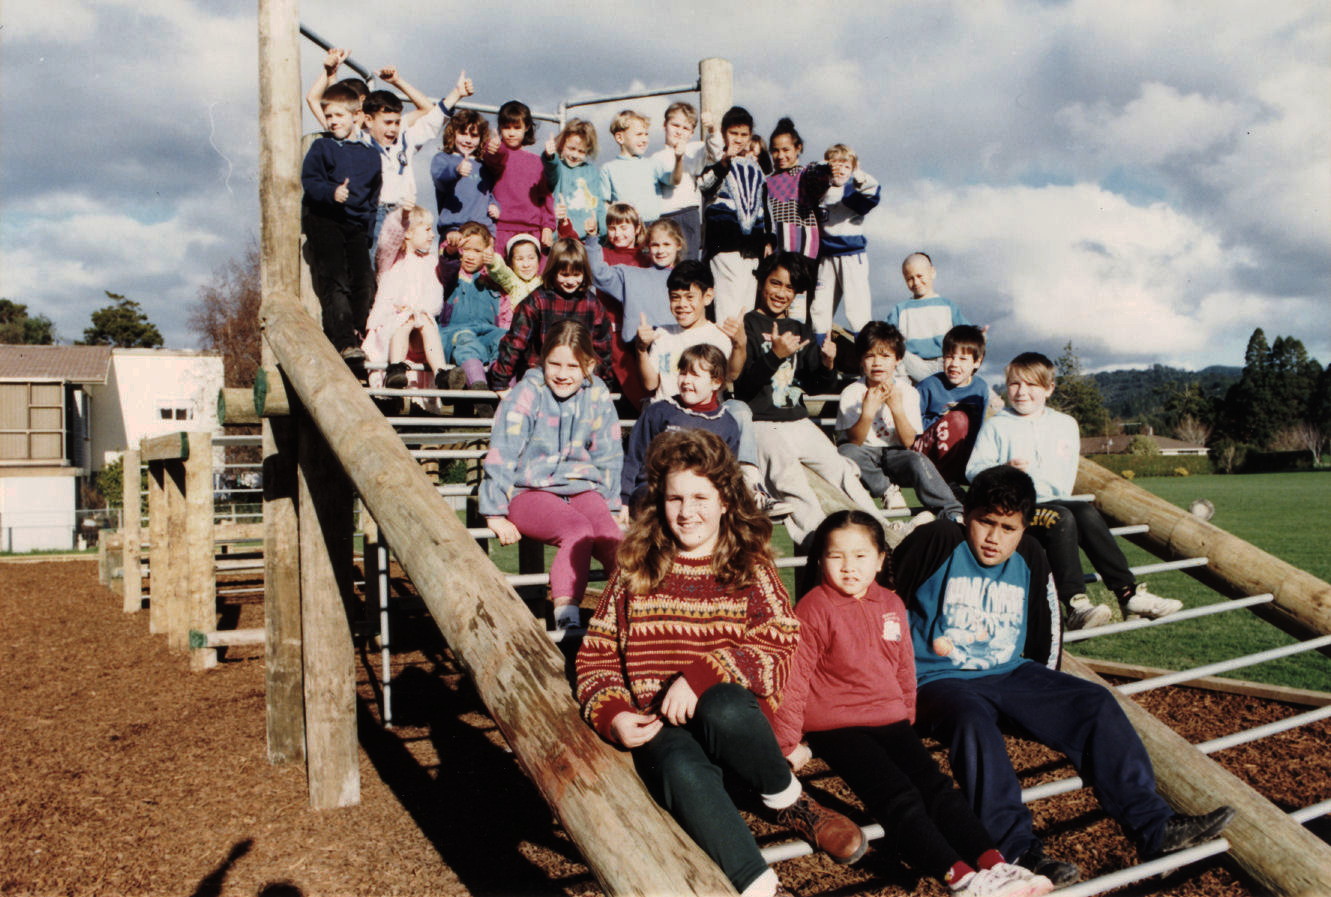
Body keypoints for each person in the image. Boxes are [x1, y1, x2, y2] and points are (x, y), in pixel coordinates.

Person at [893, 465, 1236, 886]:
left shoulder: (1032, 555)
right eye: (985, 522)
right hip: (937, 678)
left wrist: (1037, 701)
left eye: (1008, 527)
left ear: (1023, 527)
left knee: (1094, 701)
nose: (994, 538)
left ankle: (1154, 827)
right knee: (972, 719)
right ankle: (1018, 853)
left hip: (1007, 672)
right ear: (966, 514)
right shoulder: (939, 541)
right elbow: (885, 602)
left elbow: (1045, 634)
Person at [575, 429, 866, 897]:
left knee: (722, 704)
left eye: (700, 497)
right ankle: (760, 888)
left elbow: (781, 637)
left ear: (726, 500)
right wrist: (613, 715)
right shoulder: (636, 569)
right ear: (659, 501)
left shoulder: (748, 565)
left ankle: (792, 803)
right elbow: (598, 654)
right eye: (675, 498)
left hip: (736, 726)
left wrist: (702, 674)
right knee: (676, 767)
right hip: (660, 723)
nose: (687, 512)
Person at [773, 511, 1054, 897]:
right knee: (897, 796)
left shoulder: (890, 604)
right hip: (836, 726)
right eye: (836, 557)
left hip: (889, 719)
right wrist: (787, 744)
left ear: (880, 559)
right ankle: (961, 877)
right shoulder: (814, 608)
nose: (849, 568)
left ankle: (996, 864)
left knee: (936, 787)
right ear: (821, 560)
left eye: (860, 556)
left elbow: (904, 669)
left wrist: (906, 716)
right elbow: (795, 679)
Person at [965, 352, 1183, 630]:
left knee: (1084, 511)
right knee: (1061, 518)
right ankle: (1075, 605)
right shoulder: (996, 425)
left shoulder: (1065, 425)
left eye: (1032, 385)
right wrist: (1003, 470)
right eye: (1014, 384)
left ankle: (1128, 594)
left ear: (1048, 389)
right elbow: (973, 470)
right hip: (1016, 508)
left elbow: (1063, 473)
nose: (1022, 392)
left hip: (1055, 500)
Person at [481, 320, 623, 630]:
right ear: (542, 360)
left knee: (615, 540)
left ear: (588, 364)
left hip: (582, 488)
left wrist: (612, 505)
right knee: (578, 531)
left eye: (572, 365)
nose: (562, 373)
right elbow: (504, 450)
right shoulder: (529, 392)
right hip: (530, 491)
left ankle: (630, 614)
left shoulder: (596, 393)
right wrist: (494, 512)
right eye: (554, 363)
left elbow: (608, 452)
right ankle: (567, 617)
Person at [731, 252, 877, 547]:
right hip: (761, 422)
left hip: (797, 420)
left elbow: (816, 385)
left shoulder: (800, 328)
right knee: (789, 477)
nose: (781, 293)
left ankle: (879, 528)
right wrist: (775, 356)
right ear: (762, 283)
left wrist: (827, 364)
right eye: (776, 284)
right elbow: (743, 387)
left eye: (789, 288)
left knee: (840, 470)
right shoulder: (747, 323)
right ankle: (819, 539)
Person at [621, 344, 774, 515]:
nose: (686, 380)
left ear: (716, 382)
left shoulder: (726, 423)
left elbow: (726, 474)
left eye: (695, 375)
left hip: (700, 497)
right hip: (654, 492)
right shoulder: (658, 411)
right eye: (683, 373)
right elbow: (633, 458)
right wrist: (624, 501)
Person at [837, 322, 964, 523]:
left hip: (896, 454)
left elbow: (908, 442)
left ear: (897, 359)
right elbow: (854, 442)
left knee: (917, 460)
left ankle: (953, 511)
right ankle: (887, 490)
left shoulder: (908, 392)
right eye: (870, 356)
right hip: (865, 454)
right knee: (846, 453)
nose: (877, 363)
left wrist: (897, 408)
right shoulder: (852, 392)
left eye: (885, 356)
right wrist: (868, 411)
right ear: (861, 360)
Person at [300, 81, 381, 365]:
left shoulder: (371, 154)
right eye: (328, 116)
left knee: (364, 282)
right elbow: (310, 182)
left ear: (356, 117)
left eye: (338, 116)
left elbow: (372, 196)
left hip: (355, 224)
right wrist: (331, 192)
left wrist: (367, 233)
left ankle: (357, 330)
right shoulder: (323, 147)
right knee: (336, 279)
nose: (332, 121)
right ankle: (343, 341)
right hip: (325, 218)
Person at [363, 69, 474, 254]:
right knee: (372, 267)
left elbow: (433, 119)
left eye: (397, 122)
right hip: (373, 213)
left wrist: (457, 93)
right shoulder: (360, 143)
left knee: (399, 270)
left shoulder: (404, 140)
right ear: (368, 120)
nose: (393, 128)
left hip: (402, 213)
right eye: (387, 122)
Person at [488, 237, 613, 390]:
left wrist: (603, 381)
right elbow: (515, 341)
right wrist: (500, 382)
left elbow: (602, 347)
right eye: (565, 275)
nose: (571, 281)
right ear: (553, 272)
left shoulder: (592, 304)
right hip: (541, 373)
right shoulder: (536, 301)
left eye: (576, 275)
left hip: (578, 375)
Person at [361, 206, 449, 391]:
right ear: (408, 232)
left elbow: (437, 290)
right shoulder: (391, 261)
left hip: (418, 330)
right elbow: (387, 241)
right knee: (405, 319)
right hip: (391, 325)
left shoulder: (430, 261)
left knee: (425, 321)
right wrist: (402, 218)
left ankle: (441, 372)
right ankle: (396, 367)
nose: (432, 235)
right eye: (426, 229)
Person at [636, 260, 744, 401]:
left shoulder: (718, 335)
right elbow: (650, 384)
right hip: (667, 413)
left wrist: (739, 345)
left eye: (689, 297)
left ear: (708, 297)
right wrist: (641, 350)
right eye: (675, 298)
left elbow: (732, 375)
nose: (682, 304)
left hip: (704, 416)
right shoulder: (662, 334)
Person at [699, 106, 769, 322]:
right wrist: (722, 164)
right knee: (727, 312)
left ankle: (742, 355)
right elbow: (705, 187)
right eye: (734, 133)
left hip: (752, 250)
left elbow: (764, 208)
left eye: (744, 134)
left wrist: (768, 240)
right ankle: (725, 354)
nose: (739, 139)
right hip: (725, 246)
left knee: (746, 312)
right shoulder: (715, 161)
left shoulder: (756, 168)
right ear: (724, 133)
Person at [810, 144, 880, 341]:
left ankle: (866, 349)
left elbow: (873, 194)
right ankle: (819, 351)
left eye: (845, 166)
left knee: (857, 308)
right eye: (835, 165)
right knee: (820, 306)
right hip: (827, 256)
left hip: (851, 255)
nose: (840, 169)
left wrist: (861, 177)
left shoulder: (852, 191)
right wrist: (822, 169)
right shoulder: (820, 191)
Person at [912, 324, 998, 484]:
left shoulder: (980, 388)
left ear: (977, 362)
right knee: (957, 419)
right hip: (925, 451)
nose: (954, 364)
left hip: (959, 451)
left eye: (963, 359)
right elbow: (911, 428)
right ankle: (945, 485)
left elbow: (976, 430)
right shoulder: (928, 386)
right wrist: (944, 421)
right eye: (950, 357)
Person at [437, 222, 510, 401]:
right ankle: (479, 389)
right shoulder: (450, 276)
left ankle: (504, 386)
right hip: (454, 335)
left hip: (485, 334)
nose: (470, 256)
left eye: (477, 251)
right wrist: (451, 250)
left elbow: (504, 315)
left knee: (506, 338)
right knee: (466, 339)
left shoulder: (491, 281)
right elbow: (447, 264)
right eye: (466, 249)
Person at [887, 252, 975, 384]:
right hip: (915, 366)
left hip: (945, 362)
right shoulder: (900, 309)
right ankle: (903, 390)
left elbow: (966, 333)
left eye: (919, 276)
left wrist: (980, 335)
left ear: (932, 272)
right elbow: (885, 336)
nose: (916, 282)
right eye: (909, 278)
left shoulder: (947, 305)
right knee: (897, 351)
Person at [430, 109, 502, 251]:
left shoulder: (483, 166)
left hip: (483, 230)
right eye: (463, 133)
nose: (468, 140)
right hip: (455, 228)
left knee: (483, 272)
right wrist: (456, 171)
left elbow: (489, 193)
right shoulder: (443, 159)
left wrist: (495, 205)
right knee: (451, 267)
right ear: (453, 133)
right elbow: (440, 178)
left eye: (474, 136)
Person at [491, 99, 555, 252]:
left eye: (516, 127)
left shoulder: (536, 162)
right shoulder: (495, 157)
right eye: (506, 127)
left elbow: (545, 197)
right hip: (500, 230)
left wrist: (547, 226)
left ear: (526, 127)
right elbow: (491, 157)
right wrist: (492, 147)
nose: (511, 133)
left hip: (532, 231)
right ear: (500, 127)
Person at [764, 118, 827, 265]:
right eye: (775, 150)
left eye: (786, 150)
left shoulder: (804, 175)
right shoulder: (766, 182)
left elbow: (818, 176)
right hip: (777, 254)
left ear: (798, 148)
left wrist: (825, 168)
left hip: (804, 252)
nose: (780, 156)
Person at [651, 102, 707, 260]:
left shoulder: (696, 148)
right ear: (665, 125)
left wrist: (712, 128)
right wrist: (679, 159)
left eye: (685, 128)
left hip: (690, 213)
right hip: (666, 216)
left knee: (690, 264)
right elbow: (674, 180)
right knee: (668, 264)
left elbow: (715, 150)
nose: (679, 131)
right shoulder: (657, 157)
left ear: (691, 133)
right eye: (675, 125)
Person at [598, 110, 668, 231]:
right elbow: (604, 204)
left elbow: (673, 180)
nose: (645, 139)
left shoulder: (653, 164)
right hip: (625, 227)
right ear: (620, 137)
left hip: (654, 226)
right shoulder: (608, 168)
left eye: (646, 134)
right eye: (639, 134)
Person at [542, 118, 605, 238]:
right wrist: (549, 157)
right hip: (562, 236)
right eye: (571, 149)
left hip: (587, 236)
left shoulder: (591, 171)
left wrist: (603, 231)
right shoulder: (558, 167)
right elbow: (550, 169)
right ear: (562, 144)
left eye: (581, 151)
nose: (575, 155)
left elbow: (598, 203)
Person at [485, 233, 544, 311]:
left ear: (539, 260)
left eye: (531, 258)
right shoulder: (513, 283)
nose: (526, 265)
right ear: (511, 263)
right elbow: (502, 272)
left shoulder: (544, 282)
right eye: (519, 259)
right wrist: (492, 259)